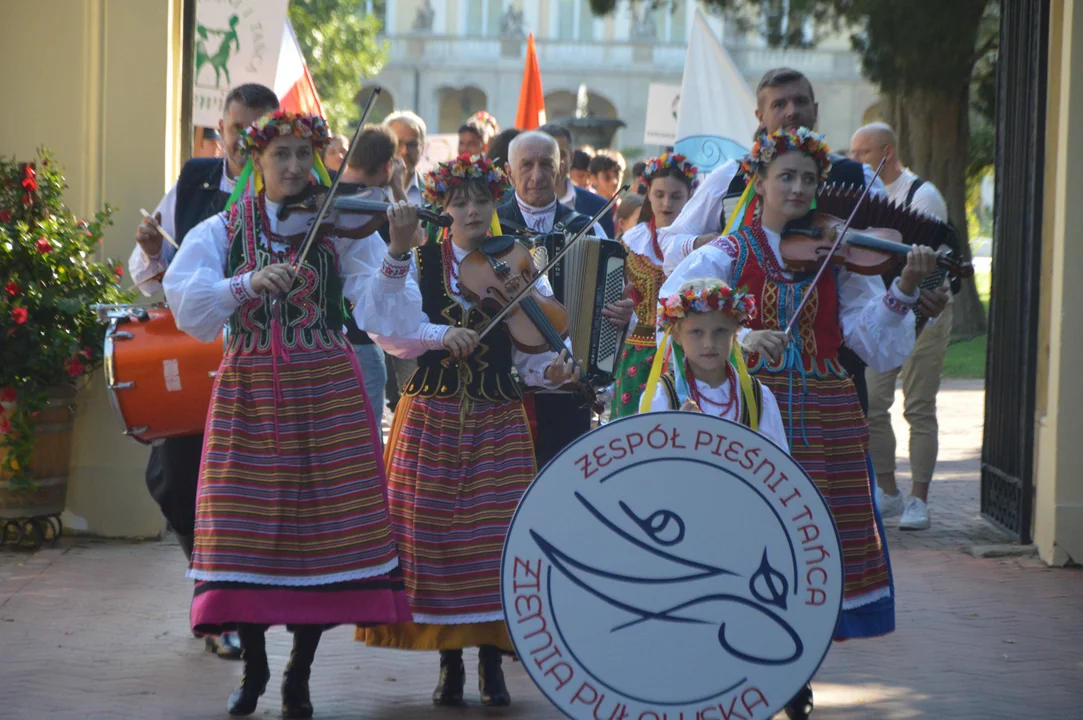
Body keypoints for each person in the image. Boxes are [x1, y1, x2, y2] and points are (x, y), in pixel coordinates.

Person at [660, 127, 938, 719]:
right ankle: (736, 660)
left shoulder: (837, 259)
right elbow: (673, 313)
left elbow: (876, 347)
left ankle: (793, 668)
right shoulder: (725, 254)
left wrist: (906, 287)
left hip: (824, 417)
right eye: (785, 176)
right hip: (752, 417)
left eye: (809, 179)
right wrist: (736, 338)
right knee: (743, 542)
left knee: (809, 547)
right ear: (758, 183)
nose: (798, 187)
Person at [162, 110, 416, 718]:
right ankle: (255, 667)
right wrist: (245, 285)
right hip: (248, 394)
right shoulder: (223, 229)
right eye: (283, 156)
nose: (297, 168)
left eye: (306, 155)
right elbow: (187, 305)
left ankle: (299, 673)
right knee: (244, 535)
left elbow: (389, 320)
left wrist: (400, 251)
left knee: (324, 537)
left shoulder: (344, 228)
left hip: (327, 393)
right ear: (258, 161)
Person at [356, 155, 580, 708]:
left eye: (482, 199)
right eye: (460, 201)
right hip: (431, 412)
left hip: (498, 414)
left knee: (497, 538)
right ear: (443, 208)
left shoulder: (519, 261)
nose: (473, 210)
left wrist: (556, 367)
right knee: (432, 537)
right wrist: (438, 335)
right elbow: (390, 329)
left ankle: (491, 662)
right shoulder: (420, 260)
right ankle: (449, 660)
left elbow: (537, 344)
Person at [128, 82, 280, 661]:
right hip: (190, 365)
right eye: (236, 129)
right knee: (173, 478)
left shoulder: (294, 187)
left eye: (258, 130)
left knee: (241, 489)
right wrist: (151, 251)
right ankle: (208, 572)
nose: (245, 140)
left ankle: (227, 610)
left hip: (260, 366)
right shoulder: (194, 179)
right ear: (221, 131)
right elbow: (154, 276)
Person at [658, 67, 889, 415]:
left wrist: (912, 294)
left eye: (800, 101)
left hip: (832, 366)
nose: (791, 111)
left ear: (816, 108)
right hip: (747, 379)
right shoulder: (731, 177)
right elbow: (673, 246)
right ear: (761, 117)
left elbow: (882, 266)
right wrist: (711, 243)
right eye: (779, 104)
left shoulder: (858, 177)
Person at [496, 131, 633, 469]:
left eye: (546, 164)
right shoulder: (491, 228)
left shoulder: (587, 226)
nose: (537, 175)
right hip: (503, 387)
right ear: (508, 173)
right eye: (526, 165)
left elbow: (613, 297)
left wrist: (619, 315)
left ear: (561, 170)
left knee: (564, 477)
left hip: (570, 386)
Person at [850, 121, 953, 531]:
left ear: (886, 153)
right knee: (875, 404)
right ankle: (889, 491)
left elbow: (935, 265)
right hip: (886, 312)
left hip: (926, 314)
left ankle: (919, 500)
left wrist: (919, 310)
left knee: (918, 407)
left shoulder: (922, 195)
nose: (854, 161)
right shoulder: (864, 195)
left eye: (862, 154)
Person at [643, 279, 787, 451]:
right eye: (696, 332)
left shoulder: (759, 398)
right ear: (677, 335)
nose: (709, 343)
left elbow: (777, 468)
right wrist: (674, 436)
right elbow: (649, 468)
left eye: (720, 331)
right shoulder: (663, 397)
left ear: (735, 332)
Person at [610, 153, 698, 419]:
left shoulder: (700, 241)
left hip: (688, 356)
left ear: (690, 195)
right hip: (638, 354)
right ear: (647, 193)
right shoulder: (631, 242)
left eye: (676, 196)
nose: (666, 203)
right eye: (659, 194)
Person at [335, 123, 410, 423]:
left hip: (318, 345)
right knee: (365, 442)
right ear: (388, 165)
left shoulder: (326, 197)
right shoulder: (378, 206)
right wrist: (398, 187)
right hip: (361, 341)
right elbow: (413, 243)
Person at [383, 110, 429, 409]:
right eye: (398, 143)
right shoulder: (369, 187)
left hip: (414, 305)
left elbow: (420, 240)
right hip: (377, 301)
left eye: (412, 144)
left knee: (411, 396)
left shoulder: (432, 191)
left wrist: (398, 186)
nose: (405, 151)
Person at [539, 122, 616, 238]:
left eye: (561, 154)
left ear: (572, 158)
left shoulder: (599, 207)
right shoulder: (509, 202)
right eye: (548, 154)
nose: (555, 161)